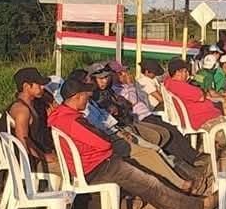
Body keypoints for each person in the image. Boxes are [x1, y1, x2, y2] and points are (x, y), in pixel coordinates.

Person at [48, 78, 216, 209]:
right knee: (150, 183)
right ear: (76, 96)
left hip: (96, 165)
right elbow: (104, 144)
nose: (88, 97)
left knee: (148, 186)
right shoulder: (73, 121)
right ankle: (198, 207)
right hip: (99, 167)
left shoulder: (62, 116)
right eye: (85, 94)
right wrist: (107, 143)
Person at [66, 68, 198, 192]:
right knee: (150, 150)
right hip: (113, 139)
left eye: (106, 77)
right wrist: (118, 132)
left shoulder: (93, 100)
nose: (98, 82)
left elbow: (114, 115)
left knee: (160, 140)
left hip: (121, 128)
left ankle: (179, 176)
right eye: (92, 80)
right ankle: (178, 183)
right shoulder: (85, 107)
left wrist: (119, 129)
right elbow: (99, 132)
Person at [3, 67, 60, 176]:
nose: (43, 87)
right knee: (73, 169)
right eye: (38, 85)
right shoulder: (22, 111)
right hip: (34, 161)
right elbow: (23, 140)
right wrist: (45, 157)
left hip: (41, 153)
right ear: (26, 87)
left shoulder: (34, 103)